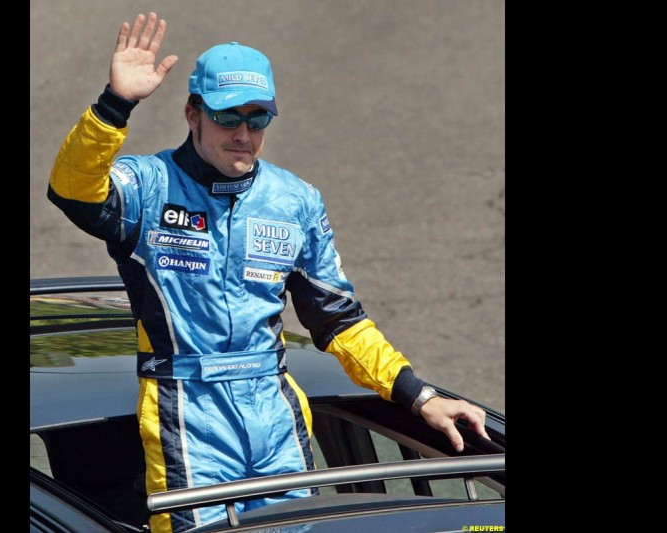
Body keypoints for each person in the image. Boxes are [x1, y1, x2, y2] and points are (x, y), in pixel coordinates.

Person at [47, 11, 491, 533]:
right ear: (193, 115)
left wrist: (420, 395)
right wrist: (115, 104)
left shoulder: (295, 201)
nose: (243, 134)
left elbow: (339, 320)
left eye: (257, 120)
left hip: (275, 411)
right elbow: (72, 190)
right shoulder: (147, 187)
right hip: (187, 411)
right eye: (228, 118)